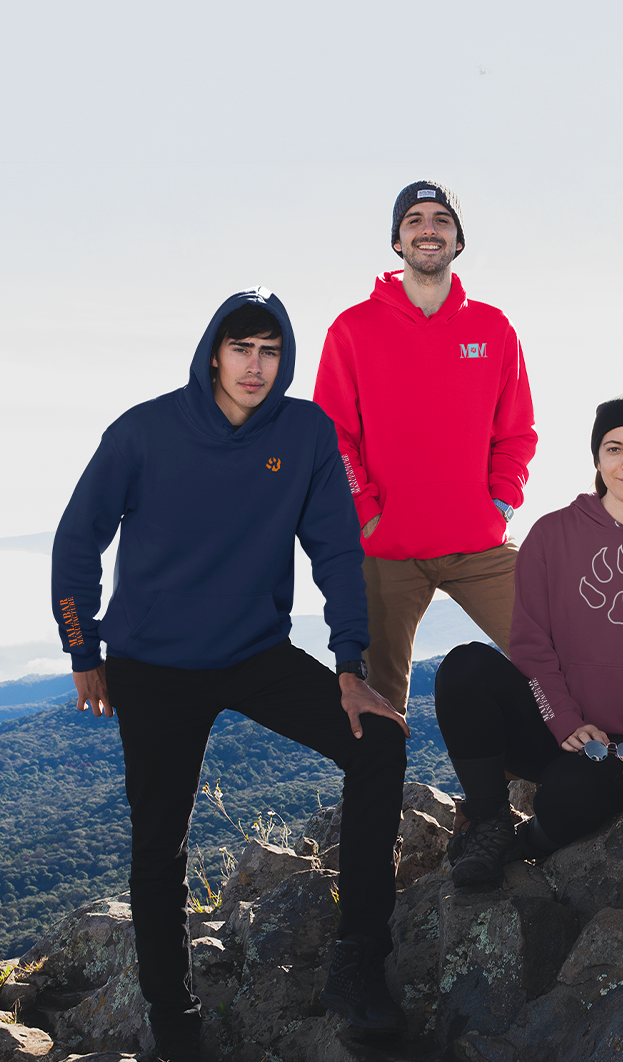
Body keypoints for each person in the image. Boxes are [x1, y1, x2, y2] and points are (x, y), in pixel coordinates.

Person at [51, 289, 411, 1062]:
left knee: (377, 742)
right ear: (214, 353)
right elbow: (78, 538)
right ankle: (175, 1023)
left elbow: (336, 550)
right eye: (242, 348)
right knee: (160, 846)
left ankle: (358, 963)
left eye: (270, 351)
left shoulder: (306, 433)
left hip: (255, 653)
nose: (256, 365)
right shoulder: (144, 431)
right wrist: (83, 651)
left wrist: (349, 665)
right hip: (152, 665)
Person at [433, 388, 623, 886]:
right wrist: (564, 720)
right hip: (550, 721)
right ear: (597, 459)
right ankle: (489, 822)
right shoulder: (550, 535)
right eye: (614, 448)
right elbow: (530, 645)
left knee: (574, 792)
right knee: (464, 668)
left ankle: (527, 844)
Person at [313, 180, 537, 715]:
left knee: (557, 656)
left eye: (442, 219)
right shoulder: (352, 329)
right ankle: (381, 775)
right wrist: (365, 510)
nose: (428, 229)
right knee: (379, 704)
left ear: (459, 240)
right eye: (414, 220)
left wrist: (501, 502)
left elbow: (516, 431)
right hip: (387, 548)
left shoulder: (494, 328)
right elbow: (333, 435)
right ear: (398, 241)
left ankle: (582, 761)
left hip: (479, 544)